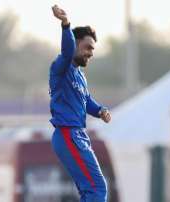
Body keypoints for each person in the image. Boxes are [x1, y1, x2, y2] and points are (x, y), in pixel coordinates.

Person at [49, 4, 111, 202]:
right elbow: (67, 52)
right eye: (88, 47)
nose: (91, 53)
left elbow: (86, 101)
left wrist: (100, 110)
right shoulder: (61, 67)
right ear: (75, 44)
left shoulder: (80, 75)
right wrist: (66, 24)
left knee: (90, 190)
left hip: (77, 134)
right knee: (97, 188)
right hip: (68, 133)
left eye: (93, 49)